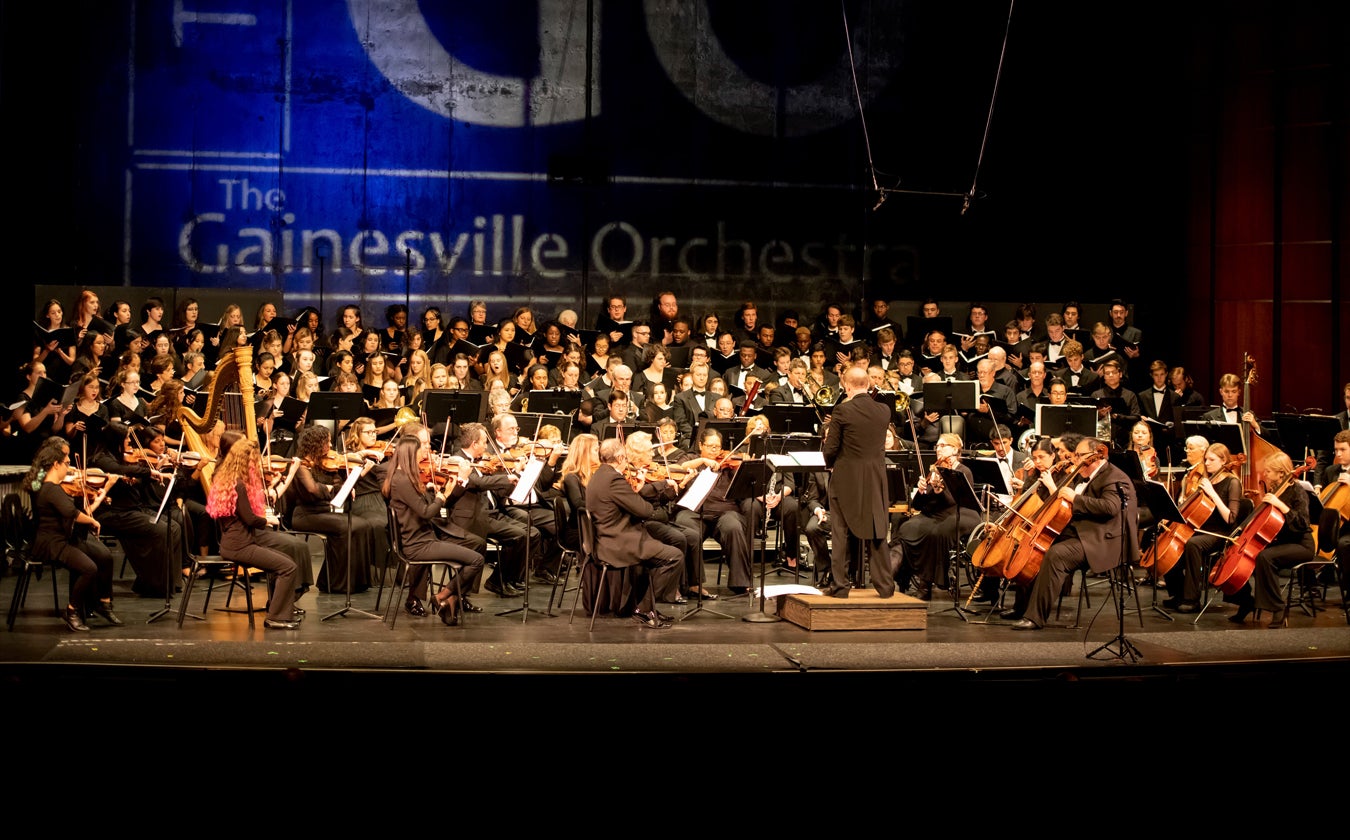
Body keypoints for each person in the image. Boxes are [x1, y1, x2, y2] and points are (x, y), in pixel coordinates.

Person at [1008, 436, 1139, 630]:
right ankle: (1021, 607)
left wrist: (1075, 498)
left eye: (1079, 455)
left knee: (1056, 555)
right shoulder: (1082, 475)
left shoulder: (1114, 477)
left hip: (1102, 540)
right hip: (1081, 532)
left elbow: (1110, 507)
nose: (1075, 460)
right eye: (1075, 455)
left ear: (1097, 455)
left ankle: (1035, 617)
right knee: (1034, 543)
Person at [205, 435, 308, 629]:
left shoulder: (228, 480)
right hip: (240, 546)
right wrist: (268, 519)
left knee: (284, 563)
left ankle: (278, 611)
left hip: (235, 543)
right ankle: (276, 617)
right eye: (253, 458)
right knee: (288, 567)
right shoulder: (240, 485)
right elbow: (250, 519)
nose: (256, 462)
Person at [382, 434, 485, 626]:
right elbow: (426, 512)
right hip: (419, 545)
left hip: (424, 539)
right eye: (420, 449)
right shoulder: (402, 480)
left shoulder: (401, 477)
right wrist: (443, 496)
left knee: (473, 550)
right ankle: (443, 596)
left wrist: (429, 490)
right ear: (410, 454)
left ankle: (451, 598)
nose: (425, 452)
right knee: (476, 560)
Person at [584, 438, 682, 628]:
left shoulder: (598, 475)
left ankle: (648, 606)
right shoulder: (614, 479)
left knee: (656, 555)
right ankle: (645, 609)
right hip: (618, 542)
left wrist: (636, 490)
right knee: (674, 556)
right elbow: (644, 510)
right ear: (620, 457)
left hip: (606, 538)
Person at [25, 436, 121, 631]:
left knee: (102, 557)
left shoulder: (55, 487)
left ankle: (102, 602)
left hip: (63, 536)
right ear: (55, 462)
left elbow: (78, 512)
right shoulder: (47, 486)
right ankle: (73, 611)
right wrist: (93, 520)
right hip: (51, 541)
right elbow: (72, 513)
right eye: (67, 461)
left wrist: (101, 492)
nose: (71, 468)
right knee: (88, 567)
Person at [820, 366, 894, 598]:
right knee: (877, 530)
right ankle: (885, 587)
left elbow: (830, 448)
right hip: (875, 477)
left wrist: (829, 462)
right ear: (869, 384)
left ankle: (840, 587)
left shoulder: (842, 410)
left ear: (847, 385)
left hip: (846, 478)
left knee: (840, 531)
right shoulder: (884, 410)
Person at [1225, 452, 1317, 627]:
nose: (1264, 474)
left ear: (1281, 473)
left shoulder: (1297, 490)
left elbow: (1303, 523)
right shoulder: (1276, 490)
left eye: (1268, 471)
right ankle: (1245, 602)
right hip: (1281, 543)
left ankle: (1278, 609)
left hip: (1301, 544)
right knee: (1239, 559)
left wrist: (1281, 505)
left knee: (1265, 557)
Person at [284, 424, 378, 594]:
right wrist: (328, 488)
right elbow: (312, 489)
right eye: (327, 442)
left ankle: (356, 582)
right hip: (306, 515)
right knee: (345, 527)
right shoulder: (301, 466)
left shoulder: (327, 462)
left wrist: (350, 480)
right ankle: (335, 583)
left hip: (325, 511)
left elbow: (339, 487)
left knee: (362, 524)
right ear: (316, 444)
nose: (330, 446)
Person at [891, 433, 981, 600]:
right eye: (937, 446)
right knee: (906, 527)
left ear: (954, 449)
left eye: (943, 445)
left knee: (935, 533)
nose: (938, 449)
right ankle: (892, 577)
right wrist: (922, 490)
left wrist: (939, 490)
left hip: (960, 513)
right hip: (933, 514)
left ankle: (926, 585)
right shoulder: (935, 468)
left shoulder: (963, 471)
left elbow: (954, 501)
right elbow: (918, 505)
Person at [1161, 441, 1243, 612]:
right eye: (1205, 459)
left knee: (1193, 544)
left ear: (1223, 461)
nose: (1206, 463)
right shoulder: (1207, 480)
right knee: (1171, 544)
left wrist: (1212, 493)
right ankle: (1178, 594)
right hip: (1202, 529)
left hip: (1221, 533)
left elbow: (1231, 518)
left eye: (1211, 460)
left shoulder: (1232, 482)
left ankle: (1192, 599)